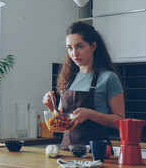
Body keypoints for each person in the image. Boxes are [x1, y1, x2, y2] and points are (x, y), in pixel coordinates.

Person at [42, 21, 125, 150]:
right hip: (67, 151)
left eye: (79, 46)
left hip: (97, 152)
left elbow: (120, 122)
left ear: (93, 46)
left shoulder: (109, 78)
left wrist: (91, 114)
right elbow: (62, 123)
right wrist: (53, 109)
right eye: (70, 48)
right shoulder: (68, 78)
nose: (74, 53)